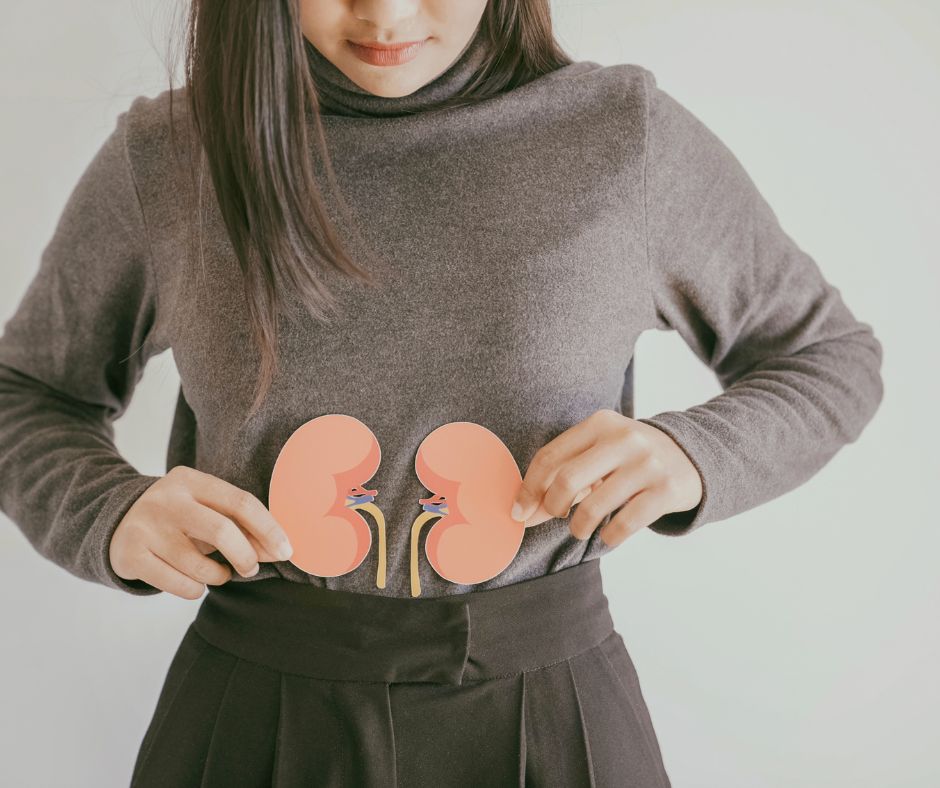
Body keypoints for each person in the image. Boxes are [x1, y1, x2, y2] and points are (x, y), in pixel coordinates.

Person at [0, 1, 884, 786]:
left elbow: (829, 357)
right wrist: (108, 512)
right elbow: (25, 392)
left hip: (552, 709)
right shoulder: (171, 156)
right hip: (254, 711)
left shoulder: (624, 136)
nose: (383, 15)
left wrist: (693, 455)